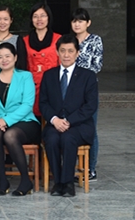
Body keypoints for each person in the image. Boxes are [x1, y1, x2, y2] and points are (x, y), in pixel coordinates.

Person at [39, 34, 98, 198]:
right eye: (63, 51)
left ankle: (68, 183)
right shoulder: (49, 75)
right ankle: (58, 182)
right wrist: (54, 120)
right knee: (51, 139)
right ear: (57, 52)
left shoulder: (88, 76)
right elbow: (43, 103)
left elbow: (90, 106)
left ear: (77, 53)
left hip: (79, 125)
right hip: (55, 123)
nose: (66, 55)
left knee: (68, 138)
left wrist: (69, 121)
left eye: (70, 51)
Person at [0, 42, 40, 197]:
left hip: (25, 122)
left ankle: (25, 180)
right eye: (0, 57)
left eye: (7, 56)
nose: (4, 60)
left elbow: (27, 104)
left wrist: (6, 121)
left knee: (10, 135)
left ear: (15, 57)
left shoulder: (25, 76)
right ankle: (3, 180)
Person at [71, 7, 103, 181]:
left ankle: (91, 168)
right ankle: (74, 166)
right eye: (74, 21)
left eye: (81, 21)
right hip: (70, 91)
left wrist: (79, 76)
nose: (77, 24)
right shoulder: (69, 41)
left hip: (88, 90)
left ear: (88, 23)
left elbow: (97, 65)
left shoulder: (95, 40)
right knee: (72, 126)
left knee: (90, 127)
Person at [23, 3, 61, 117]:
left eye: (43, 15)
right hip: (31, 86)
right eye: (35, 16)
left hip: (52, 85)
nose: (39, 19)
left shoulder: (58, 39)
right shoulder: (24, 41)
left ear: (49, 18)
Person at [0, 5, 27, 70]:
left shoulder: (17, 40)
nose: (2, 22)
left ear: (11, 20)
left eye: (6, 19)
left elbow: (22, 64)